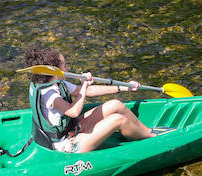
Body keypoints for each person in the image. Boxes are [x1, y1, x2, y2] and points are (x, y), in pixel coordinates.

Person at [25, 45, 158, 153]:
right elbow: (73, 112)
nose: (67, 68)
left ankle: (146, 131)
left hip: (72, 128)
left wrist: (123, 88)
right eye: (64, 65)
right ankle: (152, 140)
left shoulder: (56, 82)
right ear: (55, 71)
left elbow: (88, 91)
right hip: (65, 144)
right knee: (118, 119)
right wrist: (84, 85)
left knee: (115, 105)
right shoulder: (49, 95)